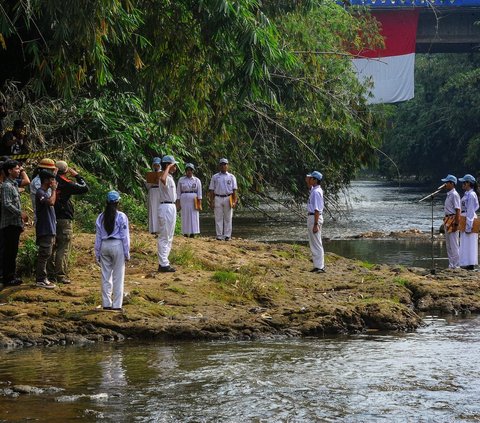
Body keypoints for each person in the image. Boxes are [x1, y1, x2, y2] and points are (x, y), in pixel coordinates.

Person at [49, 160, 89, 284]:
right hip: (64, 218)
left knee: (51, 245)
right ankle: (60, 275)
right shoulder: (67, 183)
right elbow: (84, 188)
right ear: (66, 171)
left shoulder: (49, 180)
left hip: (50, 216)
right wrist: (77, 175)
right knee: (63, 247)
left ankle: (49, 274)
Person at [95, 191, 130, 311]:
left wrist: (97, 253)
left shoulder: (100, 217)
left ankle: (106, 303)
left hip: (104, 245)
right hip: (117, 244)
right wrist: (127, 252)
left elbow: (98, 237)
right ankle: (116, 305)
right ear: (118, 202)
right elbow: (125, 236)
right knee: (118, 276)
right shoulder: (121, 216)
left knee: (106, 276)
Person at [0, 160, 28, 286]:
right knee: (9, 251)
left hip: (15, 224)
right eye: (17, 169)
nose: (19, 170)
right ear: (9, 171)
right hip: (9, 224)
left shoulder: (13, 185)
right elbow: (6, 204)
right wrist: (20, 213)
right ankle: (8, 277)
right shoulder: (6, 186)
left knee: (13, 251)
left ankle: (10, 275)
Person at [35, 170, 57, 289]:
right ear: (46, 180)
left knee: (47, 254)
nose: (53, 182)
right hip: (45, 228)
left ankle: (44, 278)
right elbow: (51, 202)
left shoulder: (46, 192)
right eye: (51, 179)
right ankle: (40, 279)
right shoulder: (40, 192)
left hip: (49, 228)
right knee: (44, 254)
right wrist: (54, 190)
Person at [156, 155, 178, 272]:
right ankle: (163, 263)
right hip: (165, 206)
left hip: (171, 206)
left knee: (169, 235)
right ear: (168, 165)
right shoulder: (164, 176)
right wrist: (168, 167)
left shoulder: (170, 177)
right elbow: (162, 179)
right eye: (173, 165)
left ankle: (164, 261)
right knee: (164, 235)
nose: (175, 167)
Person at [208, 158, 238, 241]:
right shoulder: (215, 177)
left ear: (227, 165)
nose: (223, 166)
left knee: (228, 217)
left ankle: (227, 235)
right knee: (218, 217)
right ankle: (219, 235)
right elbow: (212, 190)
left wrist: (234, 201)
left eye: (225, 164)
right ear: (219, 166)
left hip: (228, 197)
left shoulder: (231, 177)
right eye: (221, 164)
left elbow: (234, 190)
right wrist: (211, 201)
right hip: (217, 197)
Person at [458, 174, 479, 270]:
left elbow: (471, 210)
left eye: (464, 182)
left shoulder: (471, 195)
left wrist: (469, 225)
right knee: (464, 241)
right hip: (464, 217)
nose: (462, 184)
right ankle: (465, 262)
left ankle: (470, 263)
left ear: (468, 183)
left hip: (468, 217)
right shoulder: (467, 194)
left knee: (470, 241)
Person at [306, 171, 325, 273]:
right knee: (315, 242)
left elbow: (317, 209)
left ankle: (320, 267)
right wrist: (307, 179)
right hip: (313, 217)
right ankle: (318, 265)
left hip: (314, 217)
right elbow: (309, 185)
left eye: (311, 178)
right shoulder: (315, 190)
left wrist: (315, 224)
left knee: (316, 242)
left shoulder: (317, 192)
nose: (310, 179)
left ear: (315, 180)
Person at [176, 163, 202, 237]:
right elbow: (178, 192)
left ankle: (193, 232)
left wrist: (199, 203)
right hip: (184, 198)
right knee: (185, 214)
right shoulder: (181, 180)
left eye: (190, 170)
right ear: (185, 171)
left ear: (193, 171)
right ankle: (185, 232)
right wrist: (178, 203)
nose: (189, 171)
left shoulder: (197, 180)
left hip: (194, 198)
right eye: (187, 170)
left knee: (193, 215)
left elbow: (199, 193)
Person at [441, 174, 461, 269]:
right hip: (447, 219)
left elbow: (458, 210)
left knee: (454, 243)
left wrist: (457, 223)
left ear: (452, 183)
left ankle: (456, 265)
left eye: (447, 183)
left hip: (452, 219)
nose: (445, 184)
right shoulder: (449, 194)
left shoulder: (454, 194)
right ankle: (451, 264)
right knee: (448, 244)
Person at [146, 157, 161, 235]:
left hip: (160, 192)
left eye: (157, 165)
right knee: (152, 209)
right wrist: (152, 181)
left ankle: (160, 229)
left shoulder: (163, 173)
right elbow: (147, 186)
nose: (156, 167)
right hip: (152, 191)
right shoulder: (150, 174)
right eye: (155, 165)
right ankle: (153, 229)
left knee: (159, 209)